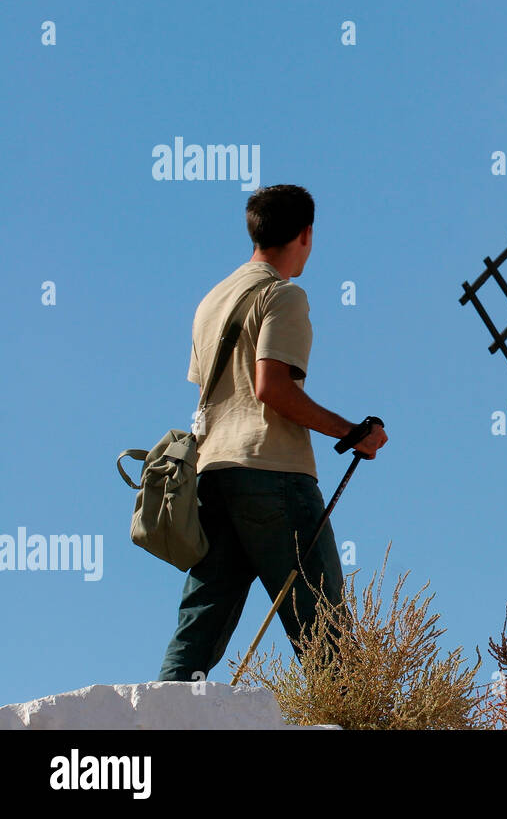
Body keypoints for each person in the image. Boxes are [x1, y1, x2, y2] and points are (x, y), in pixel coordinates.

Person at [157, 184, 388, 683]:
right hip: (273, 476)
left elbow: (213, 390)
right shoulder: (283, 296)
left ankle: (159, 716)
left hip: (213, 474)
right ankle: (348, 717)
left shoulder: (213, 300)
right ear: (306, 235)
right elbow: (270, 388)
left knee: (201, 621)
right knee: (324, 628)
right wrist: (351, 432)